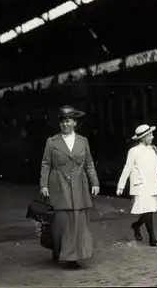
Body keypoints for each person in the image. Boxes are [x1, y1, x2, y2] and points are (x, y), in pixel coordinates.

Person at [39, 105, 100, 269]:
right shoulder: (52, 142)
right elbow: (46, 164)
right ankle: (60, 250)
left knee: (78, 221)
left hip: (79, 185)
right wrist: (43, 185)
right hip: (59, 185)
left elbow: (89, 164)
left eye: (68, 121)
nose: (65, 125)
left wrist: (95, 182)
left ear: (74, 122)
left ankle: (73, 257)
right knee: (62, 222)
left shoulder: (83, 141)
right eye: (62, 122)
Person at [116, 124, 157, 247]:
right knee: (148, 210)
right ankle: (152, 238)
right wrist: (120, 185)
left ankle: (136, 225)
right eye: (149, 135)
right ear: (143, 138)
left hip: (154, 184)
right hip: (141, 185)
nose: (152, 137)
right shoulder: (133, 152)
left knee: (150, 210)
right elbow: (127, 168)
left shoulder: (153, 149)